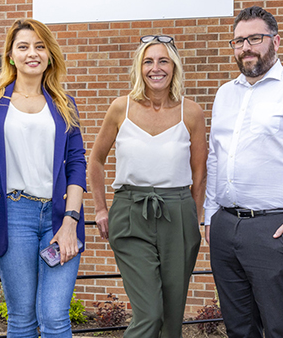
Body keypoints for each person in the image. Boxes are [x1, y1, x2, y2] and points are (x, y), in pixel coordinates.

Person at [204, 6, 283, 338]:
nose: (246, 47)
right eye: (239, 41)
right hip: (225, 226)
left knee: (281, 327)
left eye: (255, 38)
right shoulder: (225, 94)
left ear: (275, 41)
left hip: (276, 229)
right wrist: (210, 215)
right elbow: (215, 157)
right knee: (239, 327)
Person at [88, 35, 207, 338]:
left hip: (177, 213)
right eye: (148, 61)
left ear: (174, 66)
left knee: (171, 320)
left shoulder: (190, 112)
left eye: (163, 60)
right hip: (130, 213)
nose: (156, 68)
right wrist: (101, 208)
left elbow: (199, 170)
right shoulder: (120, 108)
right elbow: (96, 161)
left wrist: (194, 218)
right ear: (139, 68)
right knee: (150, 313)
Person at [0, 19, 86, 338]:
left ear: (49, 55)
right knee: (22, 319)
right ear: (11, 56)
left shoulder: (64, 104)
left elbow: (76, 165)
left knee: (55, 316)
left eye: (39, 46)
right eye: (23, 47)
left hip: (58, 217)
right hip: (13, 216)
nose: (32, 53)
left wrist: (70, 222)